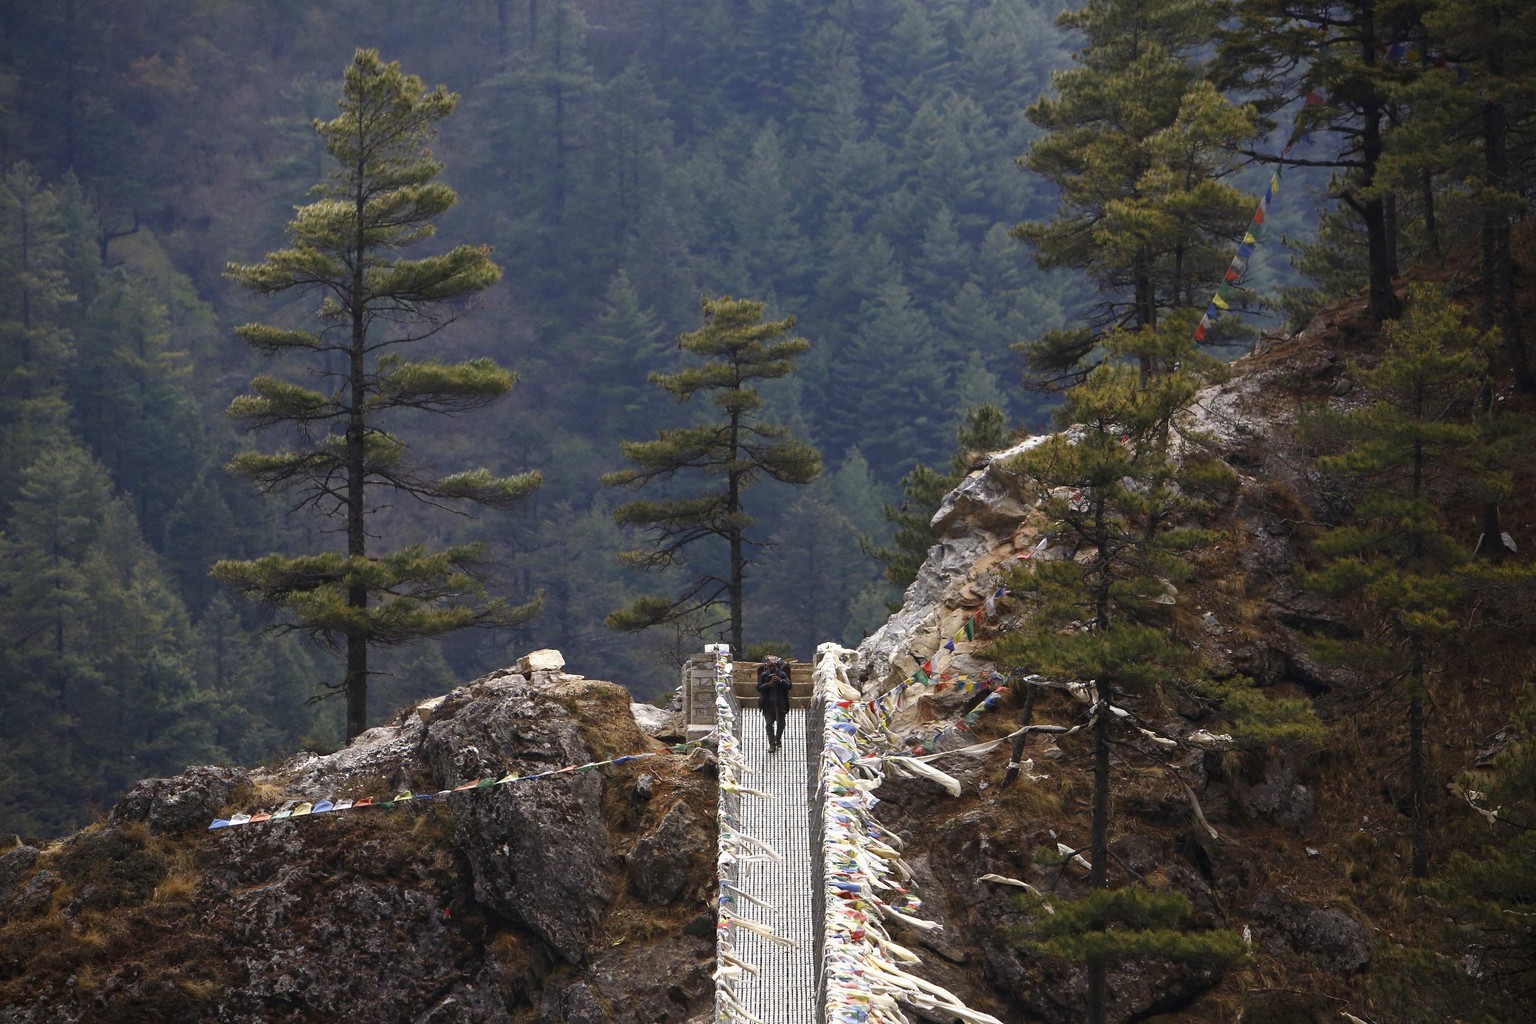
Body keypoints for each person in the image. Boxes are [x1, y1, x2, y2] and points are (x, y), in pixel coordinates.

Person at [756, 656, 792, 751]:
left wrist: (780, 681)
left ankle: (778, 738)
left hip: (781, 705)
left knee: (781, 724)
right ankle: (772, 744)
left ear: (776, 666)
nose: (772, 668)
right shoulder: (764, 675)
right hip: (768, 705)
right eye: (770, 666)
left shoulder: (782, 674)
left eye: (773, 666)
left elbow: (789, 685)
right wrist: (768, 685)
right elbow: (759, 687)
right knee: (769, 725)